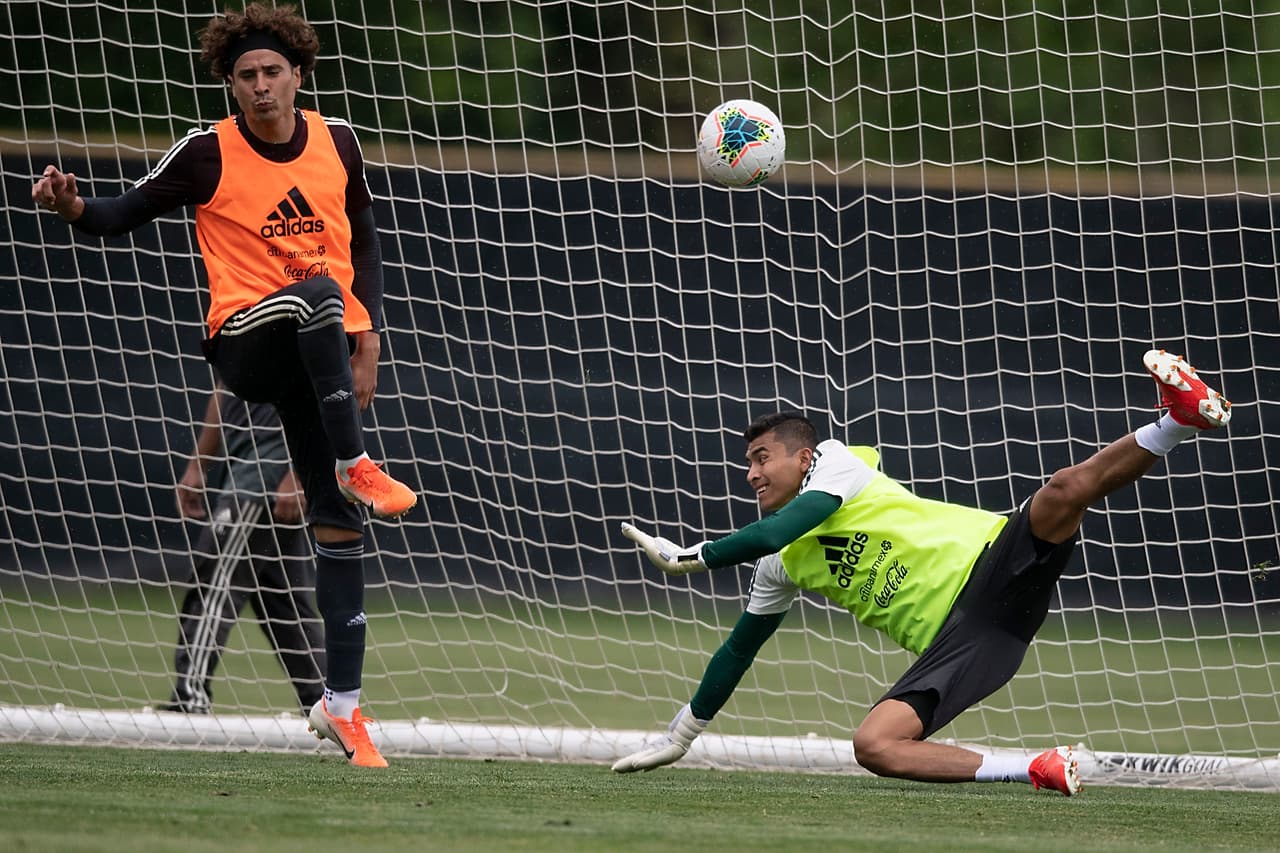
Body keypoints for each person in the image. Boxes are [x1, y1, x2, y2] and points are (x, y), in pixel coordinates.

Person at [31, 2, 415, 766]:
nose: (262, 86)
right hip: (242, 340)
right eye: (247, 76)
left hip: (318, 353)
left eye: (274, 72)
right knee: (316, 297)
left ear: (299, 74)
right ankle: (355, 461)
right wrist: (73, 205)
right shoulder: (207, 153)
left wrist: (369, 336)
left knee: (337, 528)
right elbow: (120, 213)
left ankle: (342, 709)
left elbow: (363, 237)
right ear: (231, 86)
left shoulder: (338, 142)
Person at [616, 349, 1232, 796]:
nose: (751, 474)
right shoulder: (777, 565)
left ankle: (1179, 418)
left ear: (803, 456)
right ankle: (1035, 768)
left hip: (991, 559)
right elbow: (738, 649)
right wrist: (682, 736)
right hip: (969, 640)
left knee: (1064, 490)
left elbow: (776, 528)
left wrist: (693, 555)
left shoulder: (836, 464)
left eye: (761, 458)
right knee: (874, 747)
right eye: (747, 463)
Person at [164, 386, 325, 717]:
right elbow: (223, 390)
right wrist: (198, 465)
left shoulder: (296, 334)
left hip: (264, 477)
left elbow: (322, 391)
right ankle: (324, 702)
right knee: (285, 605)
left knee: (213, 584)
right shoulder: (225, 335)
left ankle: (189, 698)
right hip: (246, 470)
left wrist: (296, 474)